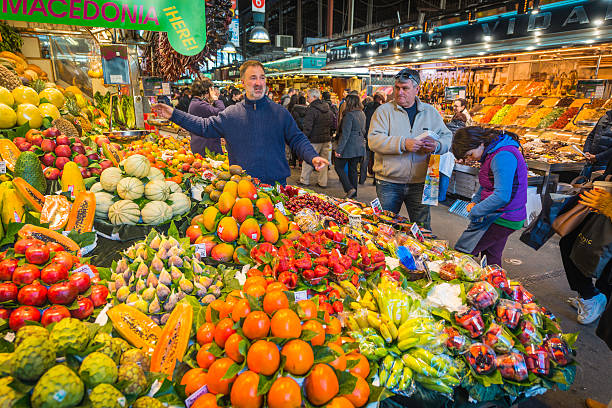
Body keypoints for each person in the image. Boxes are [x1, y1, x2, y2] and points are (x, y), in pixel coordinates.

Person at [151, 60, 328, 185]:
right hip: (242, 187)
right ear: (243, 82)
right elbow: (204, 126)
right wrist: (174, 114)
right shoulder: (231, 115)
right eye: (253, 78)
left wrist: (312, 156)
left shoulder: (280, 113)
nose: (258, 83)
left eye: (262, 77)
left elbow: (297, 138)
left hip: (276, 186)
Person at [368, 68, 452, 229]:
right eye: (397, 88)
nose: (400, 92)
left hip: (421, 183)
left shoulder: (431, 112)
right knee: (385, 227)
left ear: (416, 89)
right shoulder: (383, 112)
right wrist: (403, 143)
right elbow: (373, 140)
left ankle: (421, 254)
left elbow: (447, 137)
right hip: (388, 182)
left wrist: (437, 146)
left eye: (405, 88)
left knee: (422, 228)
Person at [452, 127, 528, 268]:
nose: (470, 159)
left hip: (503, 216)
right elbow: (488, 184)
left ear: (480, 143)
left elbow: (501, 196)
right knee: (491, 259)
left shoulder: (502, 156)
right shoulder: (492, 153)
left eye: (470, 154)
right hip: (500, 214)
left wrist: (475, 212)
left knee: (462, 253)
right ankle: (492, 287)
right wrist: (475, 201)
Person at [299, 89, 333, 188]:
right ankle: (323, 182)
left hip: (314, 140)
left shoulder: (311, 109)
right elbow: (331, 123)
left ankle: (304, 180)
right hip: (326, 139)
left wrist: (303, 138)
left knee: (309, 159)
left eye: (308, 96)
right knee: (324, 162)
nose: (307, 98)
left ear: (314, 97)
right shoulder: (327, 108)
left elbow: (308, 126)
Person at [335, 94, 366, 198]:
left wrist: (339, 149)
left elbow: (345, 134)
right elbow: (363, 130)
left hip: (349, 146)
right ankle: (354, 193)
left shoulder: (349, 115)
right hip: (359, 145)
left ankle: (349, 188)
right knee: (353, 169)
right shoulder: (362, 113)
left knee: (338, 166)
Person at [188, 79, 225, 156]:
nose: (214, 92)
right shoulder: (199, 105)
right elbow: (222, 113)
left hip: (201, 144)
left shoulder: (196, 102)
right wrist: (215, 99)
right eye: (212, 89)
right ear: (207, 90)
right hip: (206, 147)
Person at [362, 92, 386, 183]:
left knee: (366, 158)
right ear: (380, 100)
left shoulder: (367, 107)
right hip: (377, 135)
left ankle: (362, 179)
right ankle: (375, 180)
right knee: (376, 158)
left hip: (367, 134)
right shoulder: (382, 109)